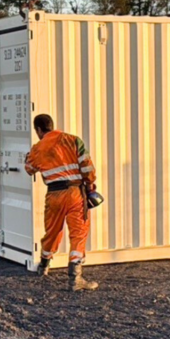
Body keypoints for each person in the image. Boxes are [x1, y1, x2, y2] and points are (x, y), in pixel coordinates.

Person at [24, 114, 99, 291]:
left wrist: (27, 159)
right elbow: (87, 167)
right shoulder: (72, 140)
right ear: (52, 126)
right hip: (75, 193)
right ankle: (75, 277)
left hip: (54, 194)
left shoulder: (37, 148)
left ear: (39, 130)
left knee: (52, 230)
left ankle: (44, 265)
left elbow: (29, 170)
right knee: (78, 232)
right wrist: (90, 186)